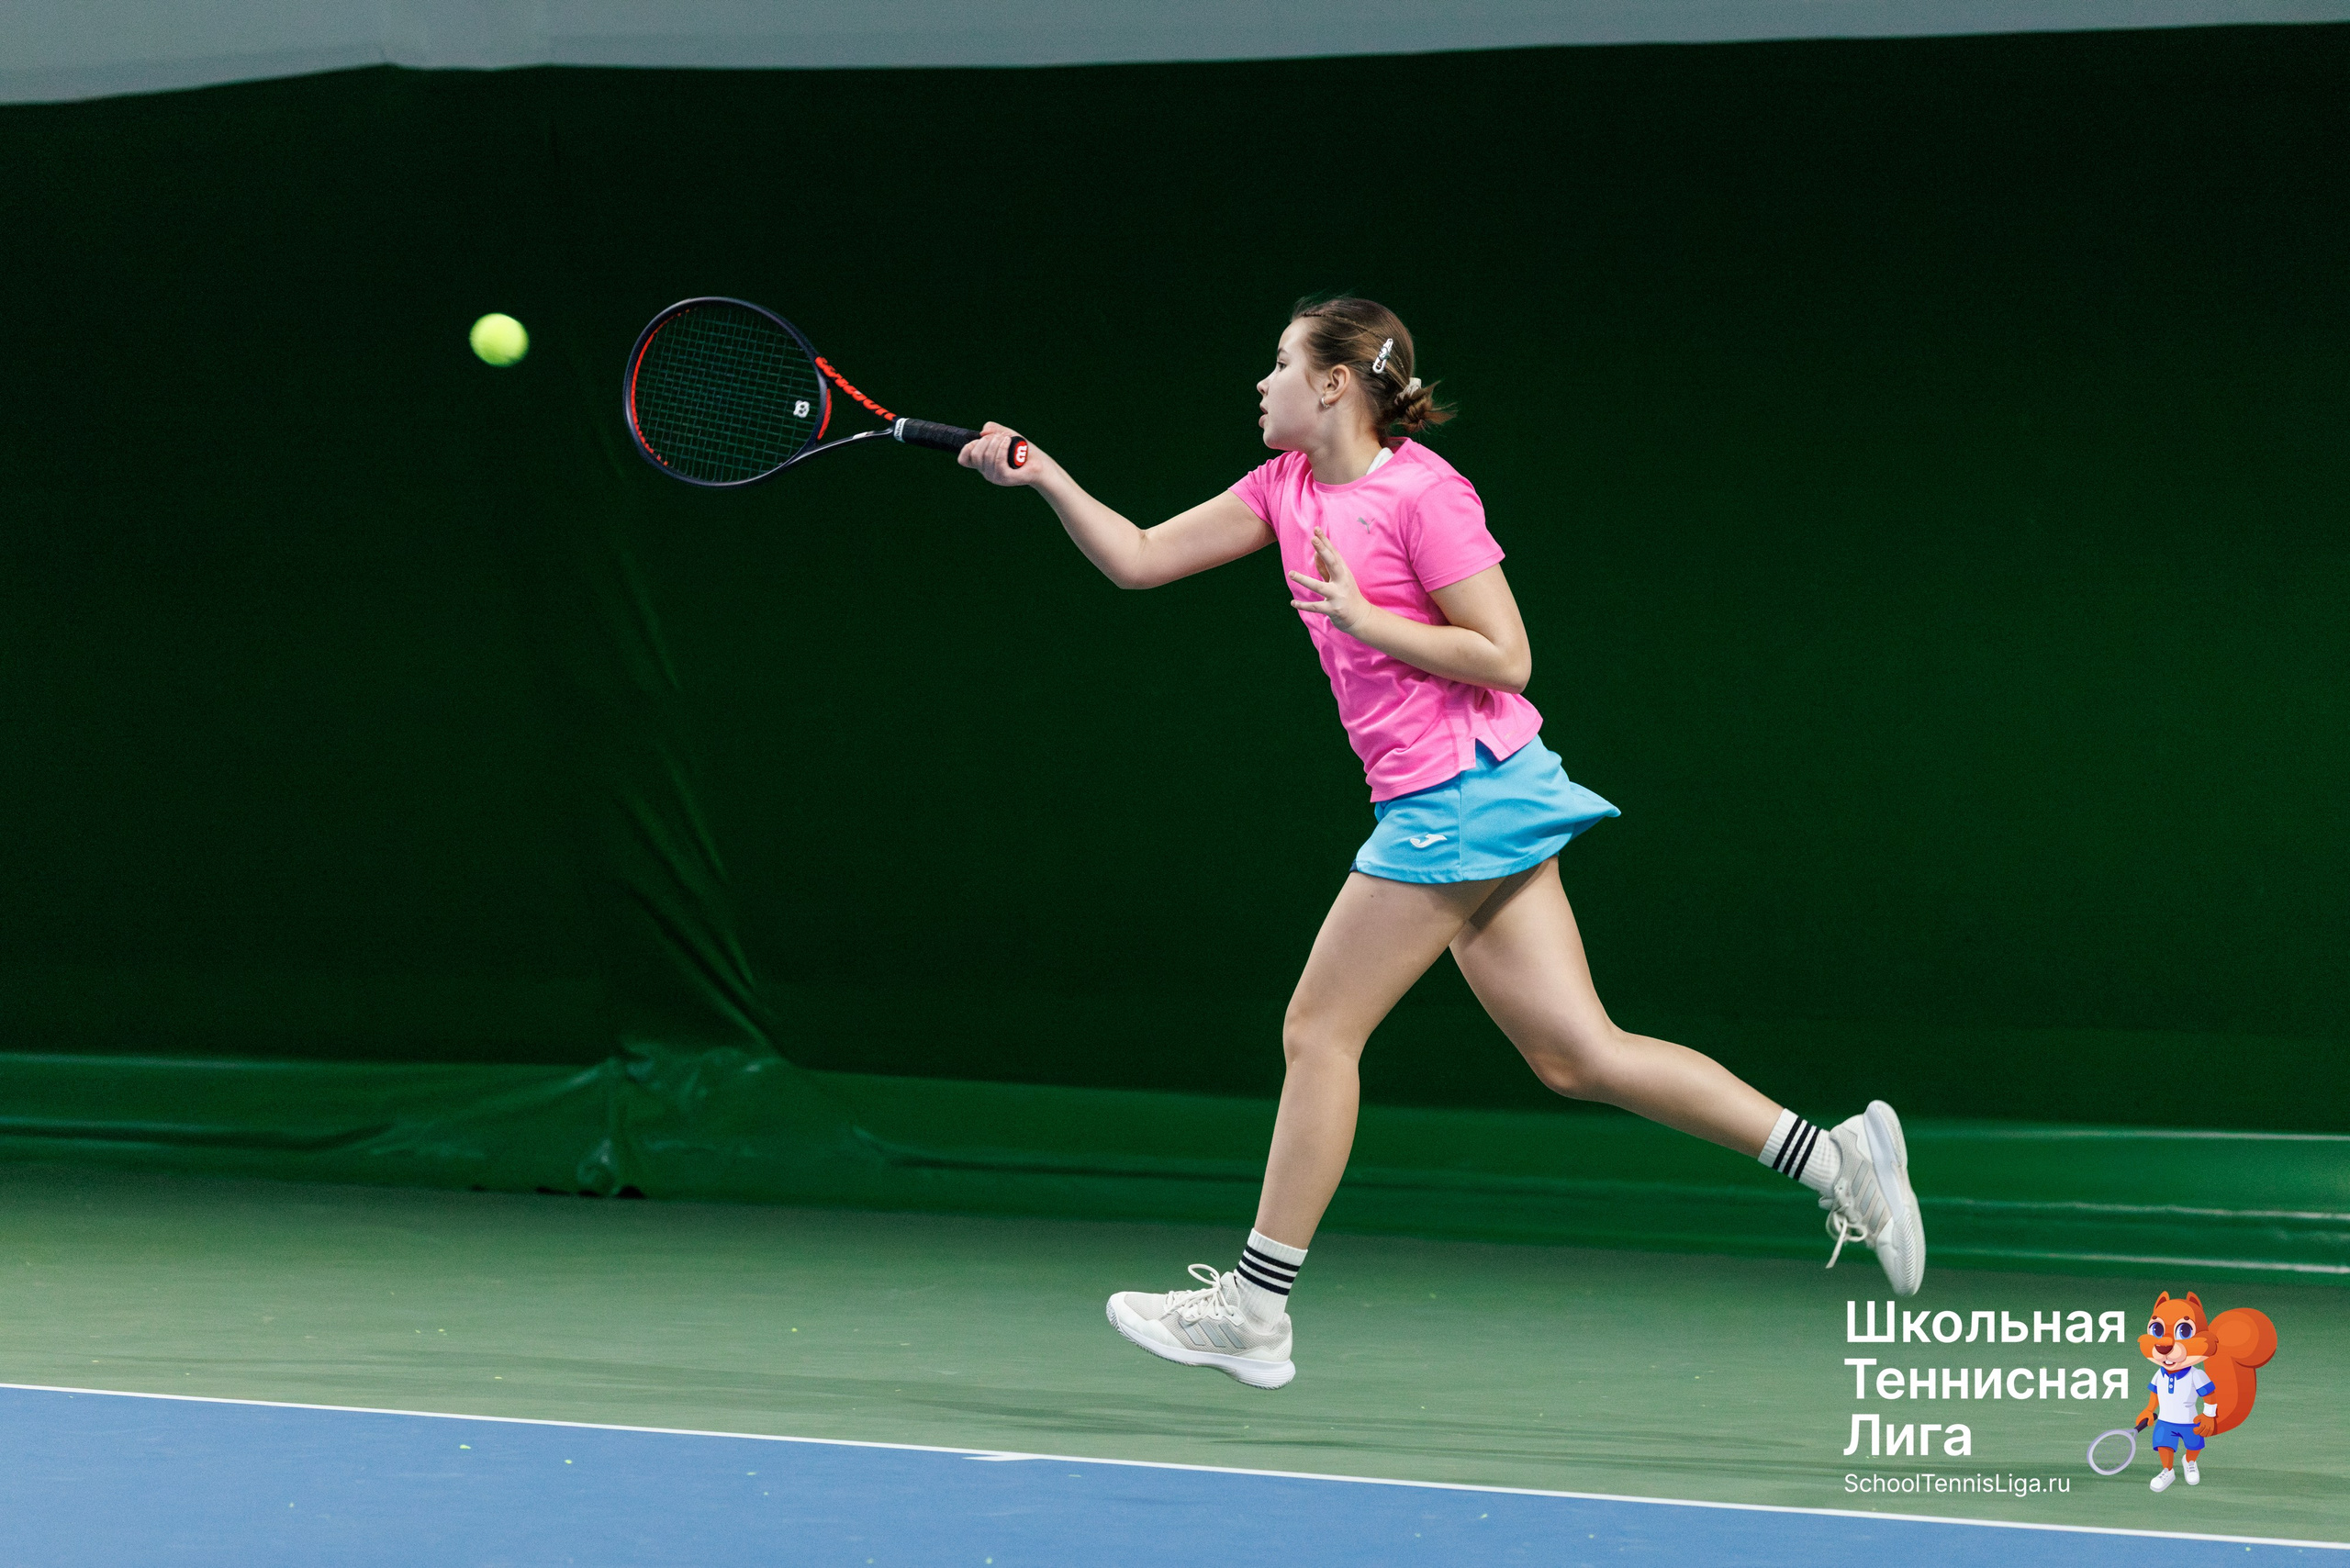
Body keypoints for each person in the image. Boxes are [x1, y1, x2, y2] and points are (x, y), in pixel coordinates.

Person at [958, 297, 1925, 1391]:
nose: (1260, 383)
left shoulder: (1425, 494)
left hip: (1456, 797)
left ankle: (1253, 1307)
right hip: (1471, 798)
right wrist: (1040, 475)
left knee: (1318, 1030)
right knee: (1578, 1054)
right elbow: (1136, 558)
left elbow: (1506, 656)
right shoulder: (1281, 489)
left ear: (1332, 383)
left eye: (1279, 363)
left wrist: (1369, 620)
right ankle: (1836, 1158)